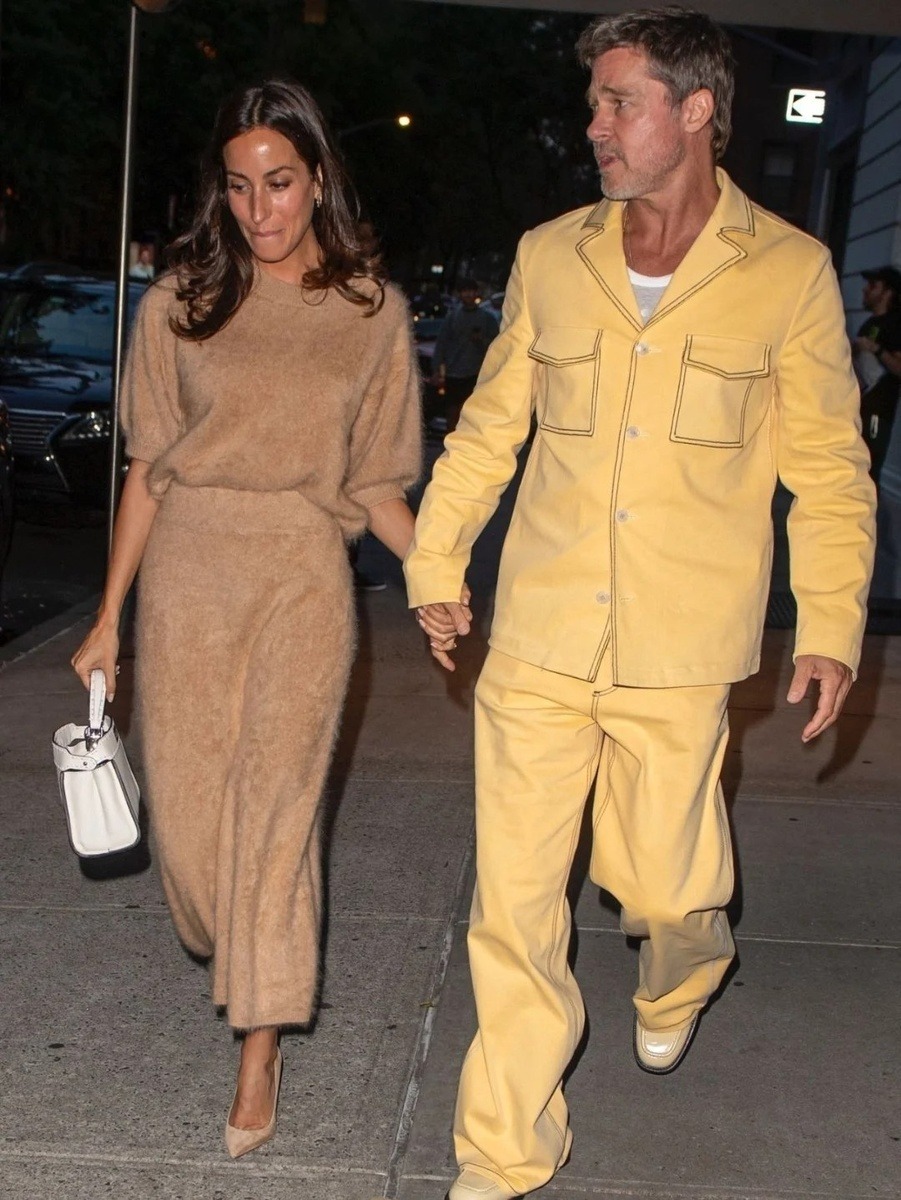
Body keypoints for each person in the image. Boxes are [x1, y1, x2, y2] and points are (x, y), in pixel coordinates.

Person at [405, 9, 876, 1199]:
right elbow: (490, 428)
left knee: (666, 890)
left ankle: (682, 974)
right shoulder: (550, 256)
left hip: (679, 649)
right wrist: (436, 559)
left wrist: (829, 625)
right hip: (540, 637)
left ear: (696, 109)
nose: (596, 126)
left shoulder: (788, 273)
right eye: (595, 105)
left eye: (619, 102)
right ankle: (503, 1157)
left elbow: (828, 470)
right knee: (514, 910)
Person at [72, 79, 420, 1159]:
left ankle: (259, 1045)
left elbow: (376, 483)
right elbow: (146, 471)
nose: (258, 208)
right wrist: (108, 618)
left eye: (278, 182)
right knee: (189, 840)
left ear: (317, 180)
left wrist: (440, 580)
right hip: (188, 574)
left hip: (303, 575)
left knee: (276, 819)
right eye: (238, 186)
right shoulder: (178, 305)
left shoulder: (370, 311)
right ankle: (247, 958)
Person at [852, 265, 901, 491]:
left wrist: (876, 349)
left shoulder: (895, 324)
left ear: (887, 292)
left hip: (879, 411)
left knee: (868, 471)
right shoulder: (869, 323)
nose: (865, 290)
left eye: (873, 286)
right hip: (859, 408)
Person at [432, 279, 499, 432]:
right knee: (452, 411)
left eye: (471, 291)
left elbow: (497, 347)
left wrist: (481, 340)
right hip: (453, 373)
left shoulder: (487, 319)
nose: (468, 295)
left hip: (477, 373)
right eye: (464, 291)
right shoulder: (452, 317)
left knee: (471, 412)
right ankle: (451, 439)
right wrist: (436, 370)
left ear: (476, 293)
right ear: (459, 294)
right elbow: (441, 344)